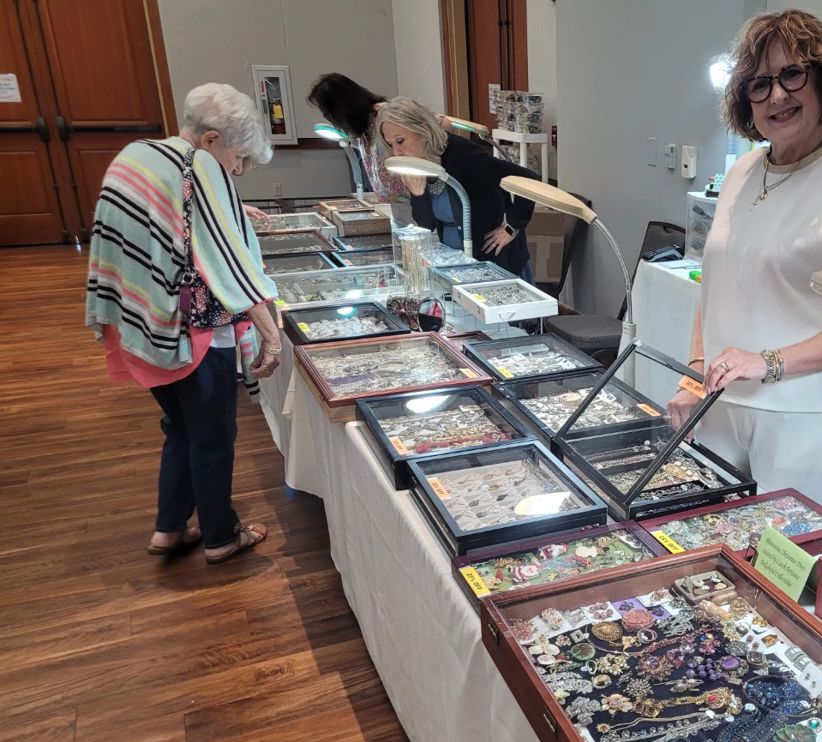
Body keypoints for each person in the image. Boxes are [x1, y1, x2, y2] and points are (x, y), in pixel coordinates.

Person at [668, 9, 822, 510]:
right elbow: (714, 289)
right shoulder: (742, 172)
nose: (777, 96)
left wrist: (766, 363)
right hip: (722, 401)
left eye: (792, 75)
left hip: (810, 412)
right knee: (710, 542)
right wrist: (694, 377)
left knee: (790, 552)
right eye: (759, 84)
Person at [85, 83, 283, 564]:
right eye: (240, 158)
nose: (238, 170)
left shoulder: (138, 155)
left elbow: (164, 220)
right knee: (213, 435)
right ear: (212, 139)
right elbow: (230, 267)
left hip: (138, 324)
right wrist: (271, 335)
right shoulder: (200, 166)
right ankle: (221, 537)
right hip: (190, 331)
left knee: (180, 426)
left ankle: (169, 529)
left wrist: (230, 210)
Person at [377, 97, 538, 280]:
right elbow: (427, 225)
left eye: (400, 141)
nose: (396, 151)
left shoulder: (466, 156)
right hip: (456, 260)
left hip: (494, 261)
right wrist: (418, 194)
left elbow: (529, 178)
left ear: (423, 129)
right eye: (391, 144)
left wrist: (513, 226)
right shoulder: (421, 164)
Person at [306, 73, 408, 202]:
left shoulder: (386, 116)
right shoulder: (361, 129)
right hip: (392, 205)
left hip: (412, 201)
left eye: (329, 114)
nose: (328, 118)